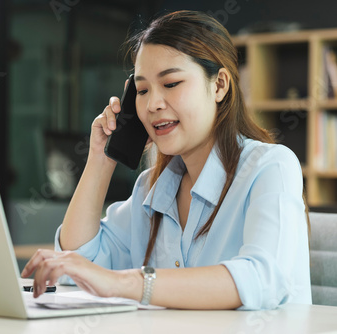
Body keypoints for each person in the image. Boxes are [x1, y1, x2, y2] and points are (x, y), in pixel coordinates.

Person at [21, 10, 311, 310]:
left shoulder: (271, 167)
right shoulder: (152, 188)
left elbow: (261, 279)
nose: (153, 105)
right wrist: (101, 158)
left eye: (171, 84)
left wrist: (127, 283)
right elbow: (79, 262)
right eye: (142, 90)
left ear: (220, 85)